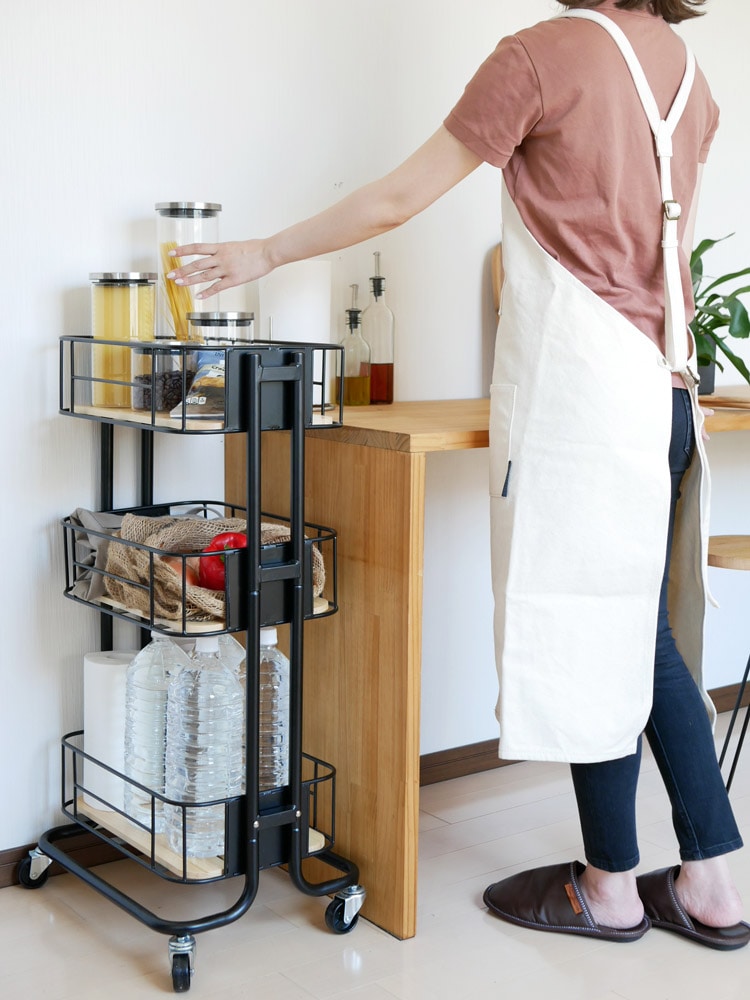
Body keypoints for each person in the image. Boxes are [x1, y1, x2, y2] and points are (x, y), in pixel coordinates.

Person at [169, 0, 748, 948]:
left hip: (588, 402)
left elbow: (399, 198)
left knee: (588, 627)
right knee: (636, 636)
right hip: (665, 393)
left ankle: (610, 887)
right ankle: (711, 883)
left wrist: (261, 253)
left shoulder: (540, 56)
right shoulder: (689, 76)